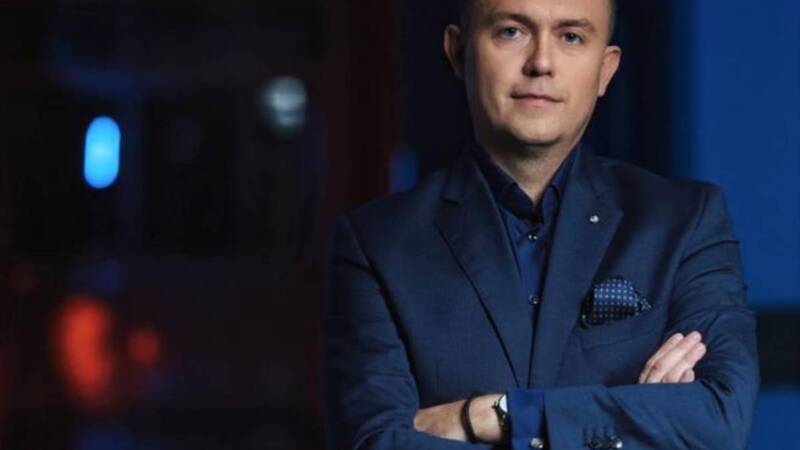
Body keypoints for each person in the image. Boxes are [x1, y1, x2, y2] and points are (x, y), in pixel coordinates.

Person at [323, 0, 759, 448]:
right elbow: (374, 442)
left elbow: (719, 418)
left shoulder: (685, 222)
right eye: (511, 32)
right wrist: (633, 421)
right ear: (458, 52)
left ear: (605, 69)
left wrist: (497, 415)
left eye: (571, 37)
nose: (541, 63)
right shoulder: (377, 244)